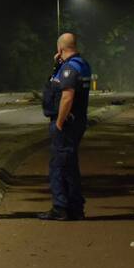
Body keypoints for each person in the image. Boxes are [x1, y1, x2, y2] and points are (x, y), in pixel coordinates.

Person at [39, 32, 92, 221]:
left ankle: (60, 207)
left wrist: (60, 122)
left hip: (67, 124)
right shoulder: (82, 64)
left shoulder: (70, 68)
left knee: (58, 166)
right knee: (69, 165)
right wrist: (58, 64)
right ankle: (75, 207)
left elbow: (67, 96)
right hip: (76, 122)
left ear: (60, 49)